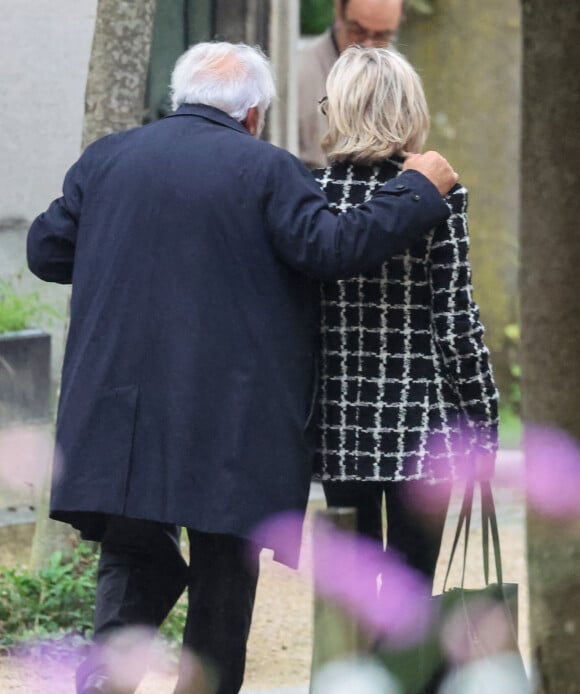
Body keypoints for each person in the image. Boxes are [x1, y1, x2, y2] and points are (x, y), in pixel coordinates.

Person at [26, 41, 458, 694]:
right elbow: (332, 249)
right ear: (253, 113)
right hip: (227, 418)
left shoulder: (107, 160)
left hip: (122, 414)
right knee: (224, 578)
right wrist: (418, 190)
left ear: (180, 99)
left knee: (132, 549)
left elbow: (46, 251)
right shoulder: (267, 171)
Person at [313, 45, 499, 592]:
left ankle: (350, 677)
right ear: (408, 111)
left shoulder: (310, 197)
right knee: (412, 596)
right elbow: (456, 319)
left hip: (339, 419)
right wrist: (483, 423)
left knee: (352, 597)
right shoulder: (438, 195)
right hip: (421, 423)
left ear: (340, 109)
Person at [298, 0, 405, 167]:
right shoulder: (299, 73)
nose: (368, 45)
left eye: (382, 36)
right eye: (358, 31)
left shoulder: (402, 81)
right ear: (339, 11)